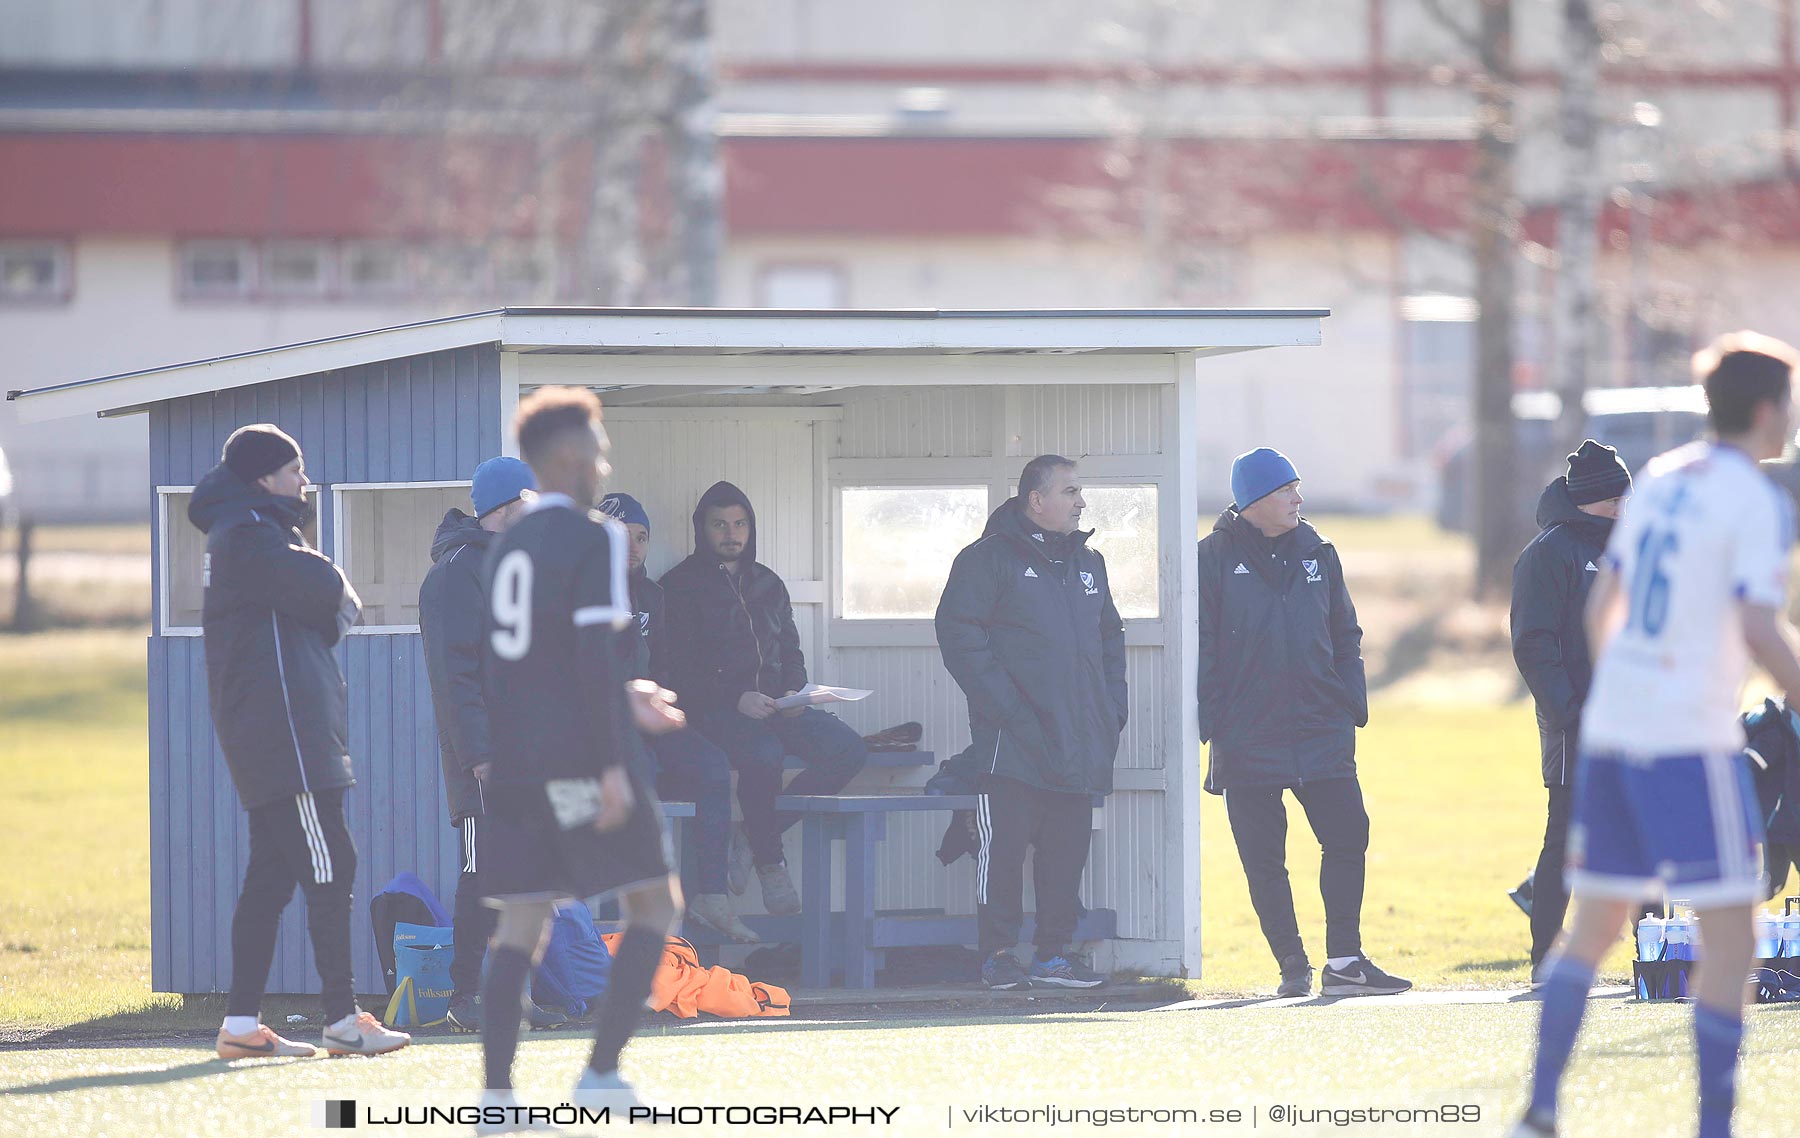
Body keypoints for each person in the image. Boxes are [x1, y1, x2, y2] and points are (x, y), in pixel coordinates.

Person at [1514, 333, 1800, 1138]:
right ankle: (1715, 1123)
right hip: (1687, 741)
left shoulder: (1666, 481)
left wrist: (1629, 694)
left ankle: (1539, 1108)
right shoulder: (1755, 499)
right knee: (1732, 935)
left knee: (1597, 923)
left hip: (1613, 733)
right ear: (1769, 407)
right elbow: (1757, 624)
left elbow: (1605, 608)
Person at [476, 387, 686, 1120]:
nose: (603, 462)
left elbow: (527, 665)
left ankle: (498, 1099)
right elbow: (593, 657)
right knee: (656, 903)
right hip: (583, 762)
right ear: (569, 458)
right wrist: (611, 764)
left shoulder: (507, 547)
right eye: (597, 448)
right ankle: (601, 1073)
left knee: (521, 925)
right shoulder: (592, 536)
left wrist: (622, 693)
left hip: (518, 762)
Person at [188, 423, 410, 1060]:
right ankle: (342, 1020)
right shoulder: (250, 537)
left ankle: (239, 1026)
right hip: (285, 737)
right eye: (295, 471)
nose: (305, 482)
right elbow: (332, 595)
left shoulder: (255, 532)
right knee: (332, 862)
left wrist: (327, 604)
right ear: (263, 478)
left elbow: (327, 611)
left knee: (271, 877)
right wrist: (332, 595)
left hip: (278, 735)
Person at [1196, 447, 1410, 999]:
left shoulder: (1320, 550)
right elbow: (1200, 649)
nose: (1298, 498)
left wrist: (1350, 702)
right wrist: (1216, 721)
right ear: (1254, 501)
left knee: (1348, 836)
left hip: (1321, 728)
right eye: (1287, 490)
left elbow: (1346, 633)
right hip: (1247, 739)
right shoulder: (1210, 560)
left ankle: (1345, 961)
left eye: (1298, 487)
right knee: (1264, 859)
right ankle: (1292, 963)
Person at [936, 455, 1125, 990]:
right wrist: (1010, 712)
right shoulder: (985, 560)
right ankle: (997, 956)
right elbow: (959, 635)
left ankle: (1053, 956)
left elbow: (1112, 639)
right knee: (1004, 852)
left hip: (1080, 740)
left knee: (1066, 852)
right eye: (1069, 491)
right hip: (1010, 744)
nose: (1080, 502)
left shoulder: (1091, 564)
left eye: (1080, 492)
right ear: (1035, 500)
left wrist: (1112, 710)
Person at [660, 481, 868, 916]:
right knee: (763, 753)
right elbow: (676, 671)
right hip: (717, 712)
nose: (731, 534)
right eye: (720, 525)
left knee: (848, 749)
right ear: (702, 529)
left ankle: (755, 838)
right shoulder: (678, 587)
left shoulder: (768, 584)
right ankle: (771, 861)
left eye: (740, 524)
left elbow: (791, 651)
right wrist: (736, 697)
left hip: (779, 705)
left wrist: (795, 689)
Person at [419, 456, 567, 1033]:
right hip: (487, 760)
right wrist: (480, 755)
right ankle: (464, 996)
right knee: (482, 875)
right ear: (508, 507)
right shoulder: (458, 573)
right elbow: (454, 677)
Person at [599, 491, 757, 943]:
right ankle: (633, 905)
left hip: (648, 719)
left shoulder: (652, 595)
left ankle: (711, 896)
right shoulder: (580, 594)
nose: (632, 547)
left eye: (641, 537)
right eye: (620, 537)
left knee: (711, 765)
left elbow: (664, 665)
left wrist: (665, 709)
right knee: (638, 774)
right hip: (603, 729)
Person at [1509, 441, 1630, 975]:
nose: (1626, 507)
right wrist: (1572, 713)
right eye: (1617, 499)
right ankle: (1543, 958)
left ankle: (1654, 952)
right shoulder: (1548, 552)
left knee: (1640, 829)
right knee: (1564, 836)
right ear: (1591, 500)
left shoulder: (1633, 545)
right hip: (1573, 724)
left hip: (1635, 720)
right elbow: (1533, 644)